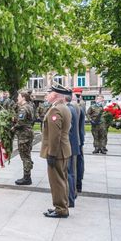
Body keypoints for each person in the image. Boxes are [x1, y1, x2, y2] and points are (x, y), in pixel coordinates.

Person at [41, 84, 72, 218]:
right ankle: (62, 206)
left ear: (55, 95)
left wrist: (51, 154)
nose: (47, 95)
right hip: (63, 150)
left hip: (57, 151)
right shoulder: (64, 107)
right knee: (62, 179)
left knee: (57, 181)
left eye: (49, 93)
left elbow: (55, 135)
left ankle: (61, 209)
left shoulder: (56, 110)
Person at [14, 91, 35, 185]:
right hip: (28, 133)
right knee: (27, 155)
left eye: (18, 97)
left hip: (24, 135)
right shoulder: (30, 106)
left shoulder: (23, 108)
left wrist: (12, 128)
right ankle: (27, 175)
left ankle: (27, 178)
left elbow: (21, 122)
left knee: (25, 156)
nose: (17, 98)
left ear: (23, 98)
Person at [65, 93, 80, 207]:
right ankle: (72, 195)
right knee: (71, 172)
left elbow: (67, 131)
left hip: (68, 145)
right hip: (72, 144)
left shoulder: (68, 109)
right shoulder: (72, 107)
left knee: (68, 172)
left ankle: (69, 198)